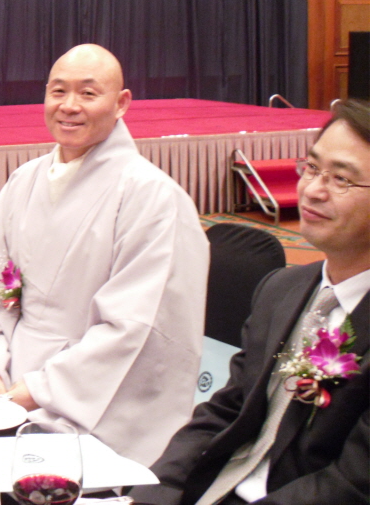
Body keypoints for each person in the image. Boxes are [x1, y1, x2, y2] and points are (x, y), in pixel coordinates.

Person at [0, 43, 209, 466]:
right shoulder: (25, 180)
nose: (69, 106)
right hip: (5, 376)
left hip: (91, 396)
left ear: (122, 103)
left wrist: (39, 392)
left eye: (88, 93)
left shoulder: (153, 197)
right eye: (58, 91)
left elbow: (138, 326)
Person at [130, 99, 369, 505]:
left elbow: (352, 485)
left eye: (342, 179)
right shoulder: (282, 289)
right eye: (312, 168)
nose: (313, 190)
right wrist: (156, 492)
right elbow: (227, 409)